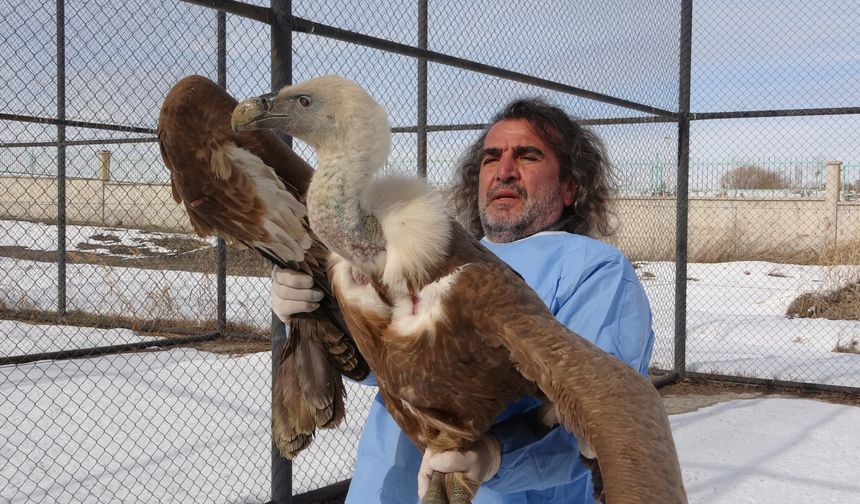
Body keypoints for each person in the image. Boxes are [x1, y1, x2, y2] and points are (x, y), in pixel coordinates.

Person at [271, 98, 655, 503]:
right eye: (491, 159)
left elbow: (604, 420)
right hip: (386, 487)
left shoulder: (594, 269)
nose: (504, 171)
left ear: (570, 187)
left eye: (527, 156)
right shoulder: (423, 249)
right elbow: (385, 365)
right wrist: (313, 311)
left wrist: (496, 455)